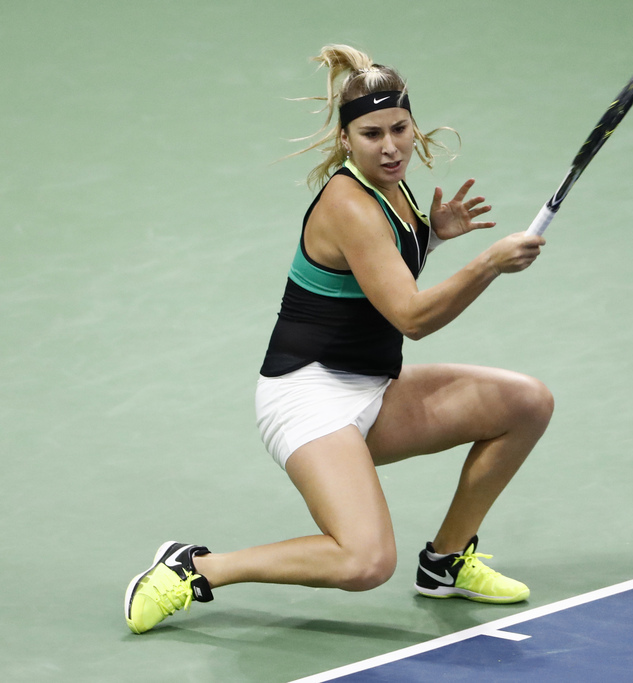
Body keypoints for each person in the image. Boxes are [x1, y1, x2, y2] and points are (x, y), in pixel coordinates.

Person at [125, 44, 553, 634]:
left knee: (526, 402)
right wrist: (487, 263)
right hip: (308, 396)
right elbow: (412, 318)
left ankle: (447, 563)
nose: (391, 146)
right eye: (372, 134)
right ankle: (197, 567)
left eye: (400, 129)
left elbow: (372, 277)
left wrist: (431, 237)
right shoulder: (349, 203)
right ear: (346, 139)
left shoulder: (394, 188)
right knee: (366, 560)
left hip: (370, 386)